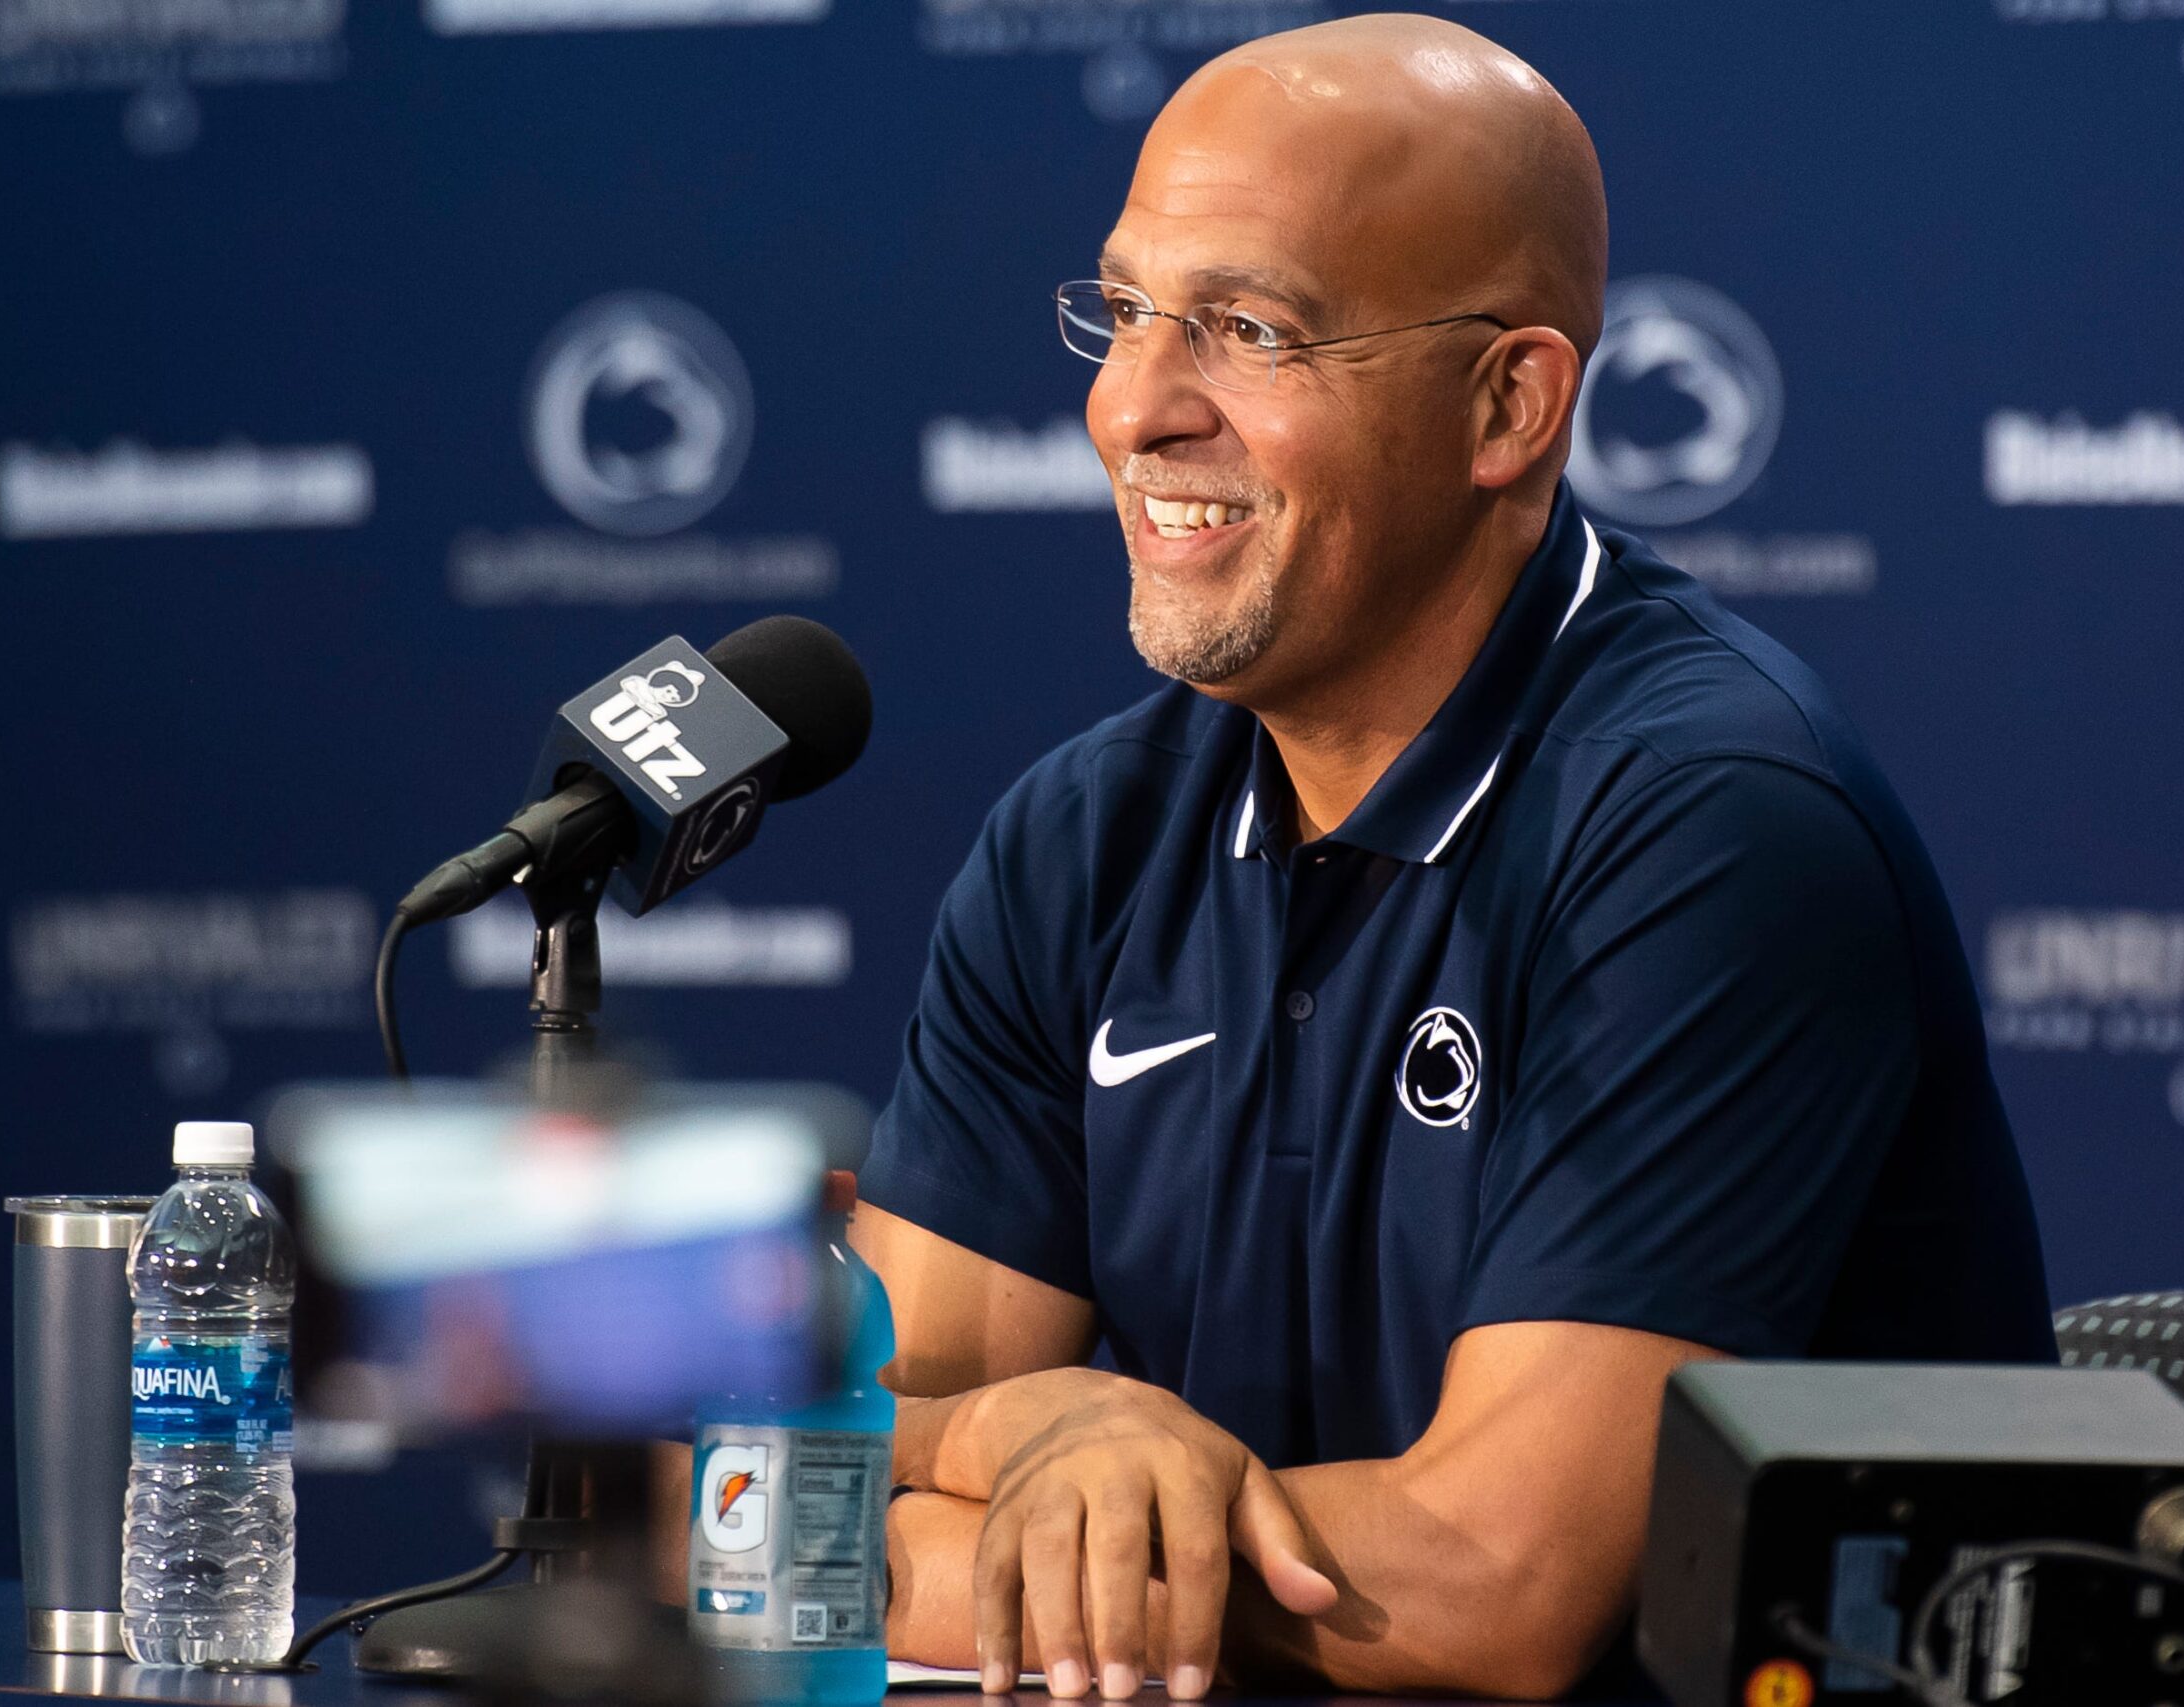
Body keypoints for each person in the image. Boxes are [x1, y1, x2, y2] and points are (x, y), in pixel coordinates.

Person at [853, 13, 2054, 1699]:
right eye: (1124, 311)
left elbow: (1495, 1586)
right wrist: (1044, 1424)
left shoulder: (1710, 827)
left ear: (1509, 403)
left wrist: (996, 1542)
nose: (1130, 407)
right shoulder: (1081, 841)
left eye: (1250, 331)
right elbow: (789, 1476)